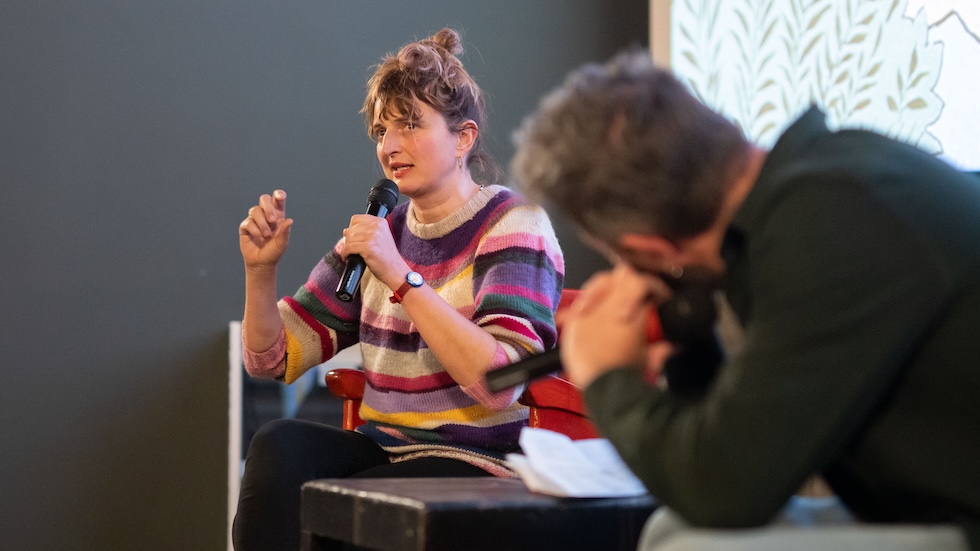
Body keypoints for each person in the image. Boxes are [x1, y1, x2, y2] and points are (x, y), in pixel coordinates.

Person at [512, 49, 979, 551]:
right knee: (673, 529)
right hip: (929, 502)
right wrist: (688, 341)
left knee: (689, 547)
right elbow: (741, 440)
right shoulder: (821, 186)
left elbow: (724, 487)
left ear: (649, 248)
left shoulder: (829, 229)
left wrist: (606, 376)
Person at [234, 28, 564, 551]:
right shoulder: (382, 230)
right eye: (381, 130)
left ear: (464, 138)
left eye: (410, 125)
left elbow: (501, 381)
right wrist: (260, 272)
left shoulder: (513, 223)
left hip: (479, 460)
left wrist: (402, 278)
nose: (389, 146)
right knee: (280, 443)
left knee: (352, 507)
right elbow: (271, 359)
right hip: (385, 449)